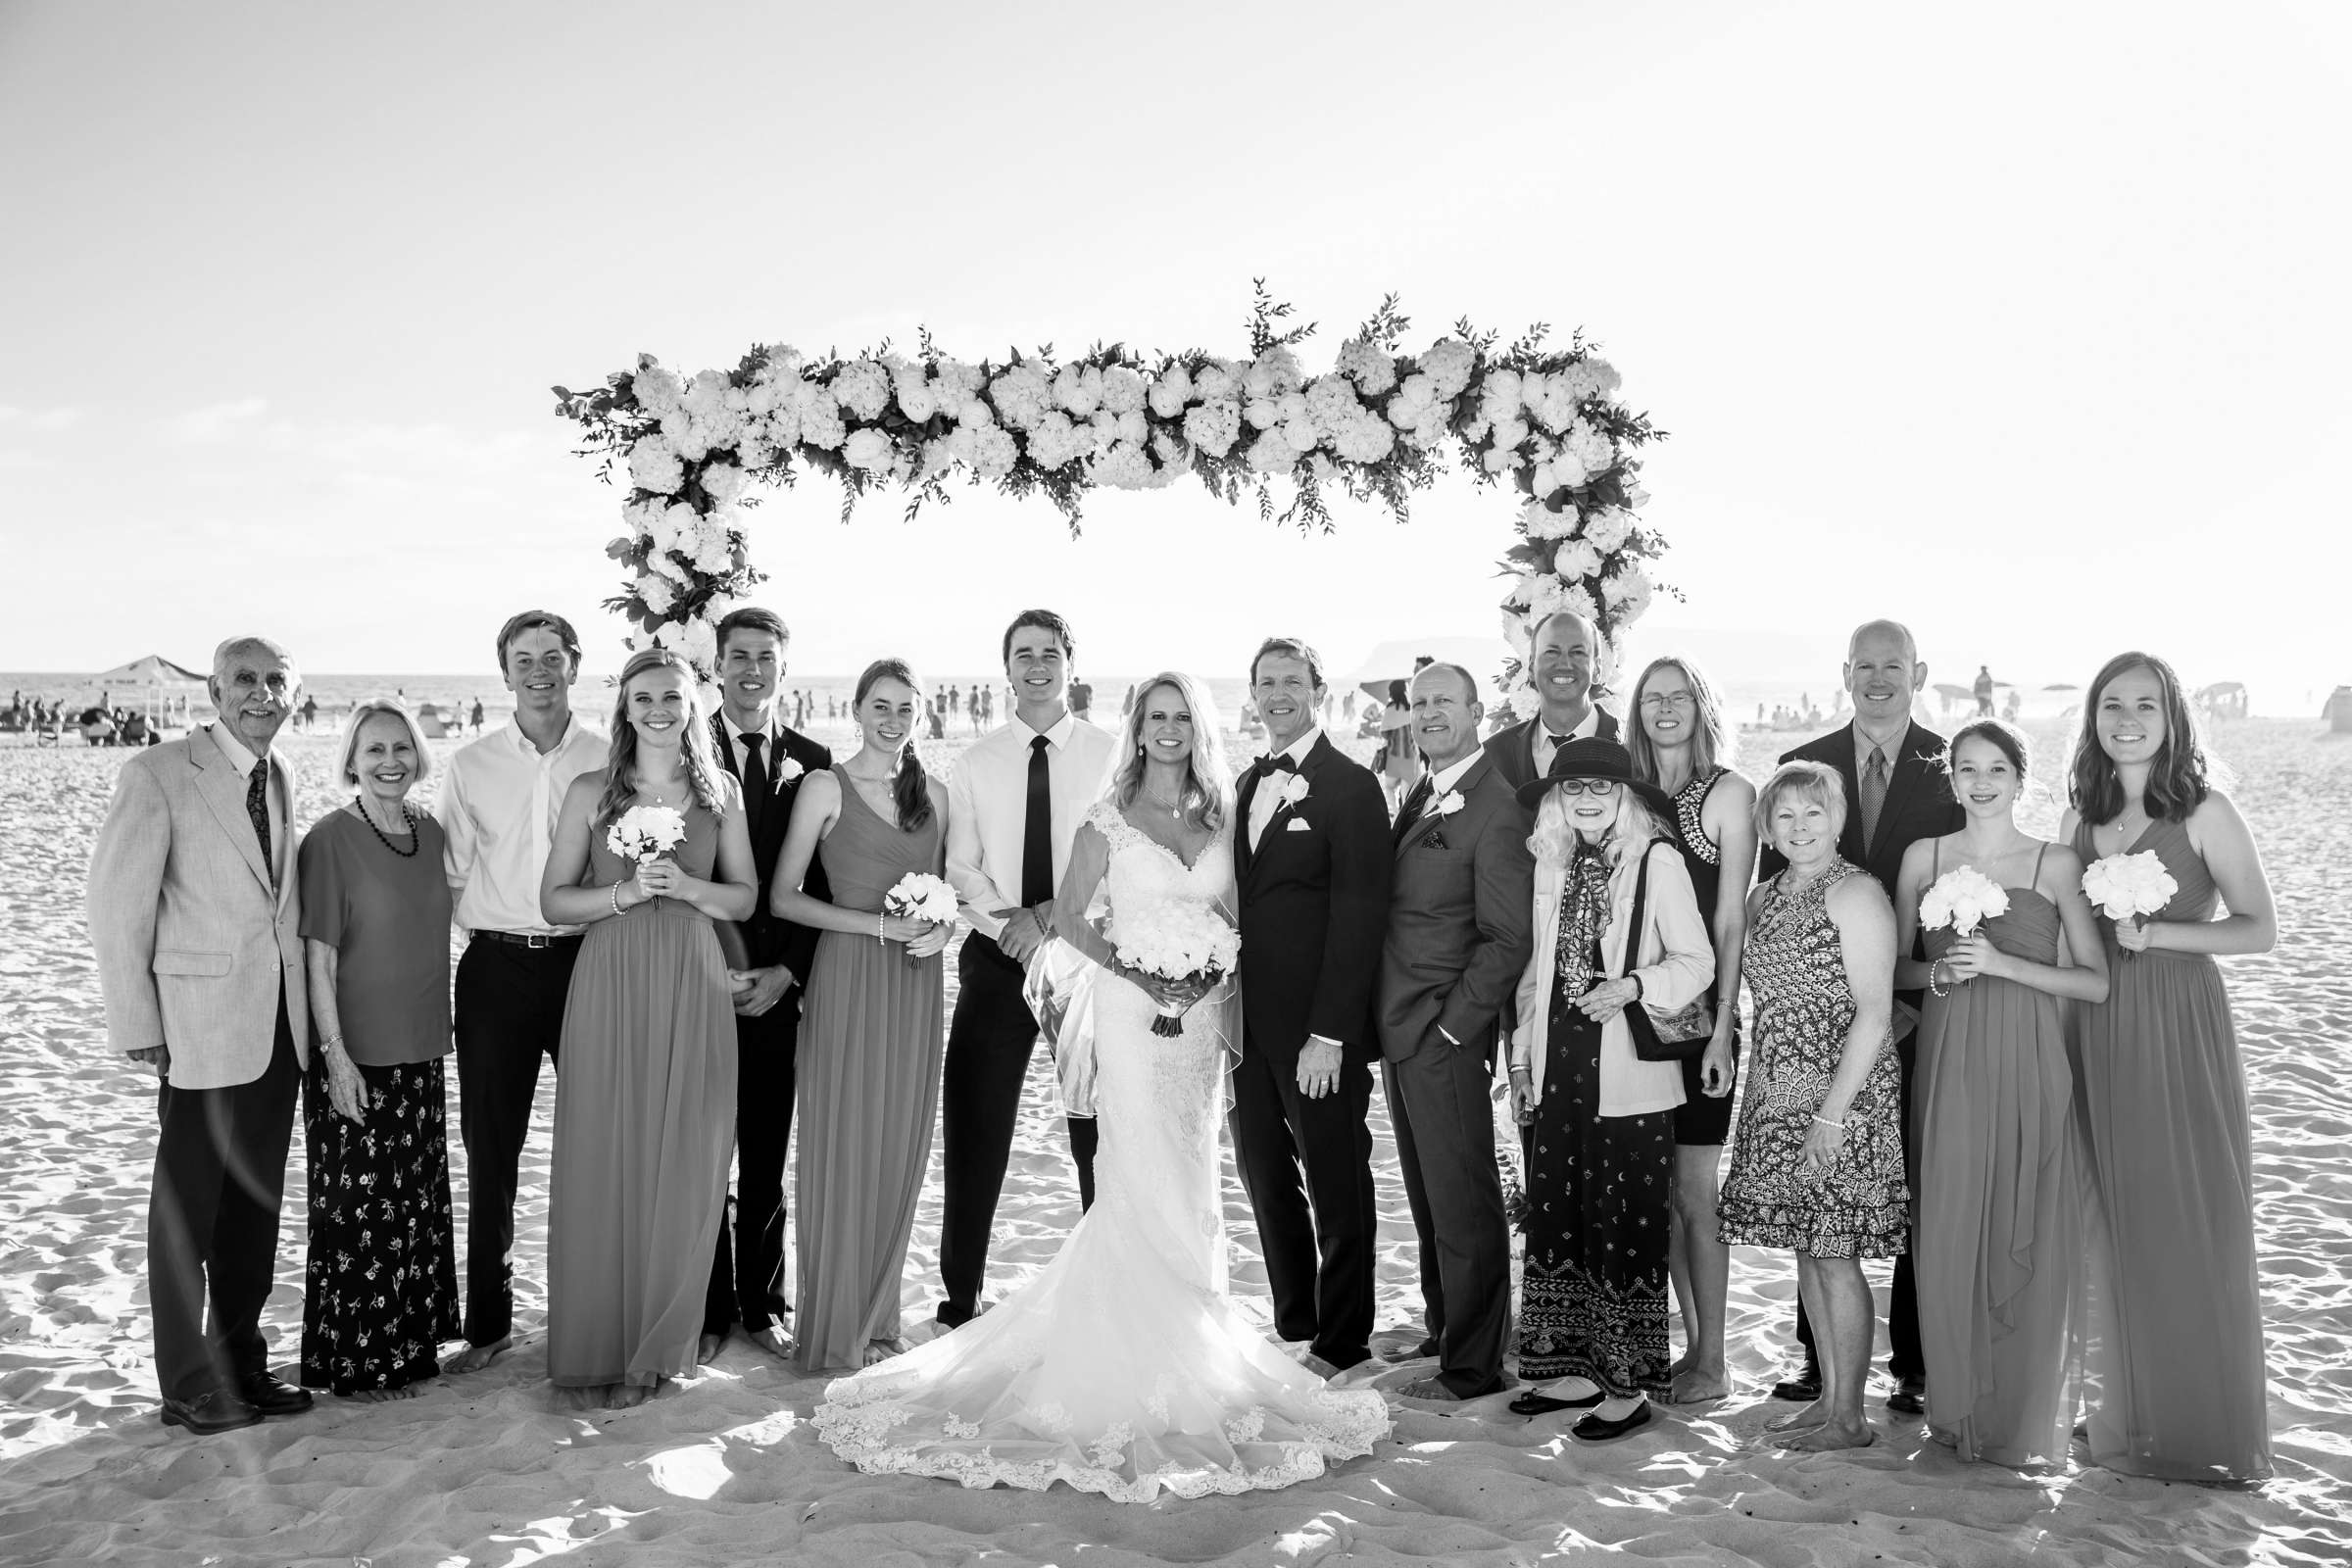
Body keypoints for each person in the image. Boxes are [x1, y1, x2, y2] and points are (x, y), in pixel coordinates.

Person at [813, 672, 1390, 1497]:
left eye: (1180, 717)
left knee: (1194, 1178)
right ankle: (1128, 1357)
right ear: (1137, 727)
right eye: (1154, 717)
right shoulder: (1107, 818)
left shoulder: (1220, 814)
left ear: (1198, 728)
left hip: (1197, 1022)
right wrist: (1143, 971)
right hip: (1130, 1015)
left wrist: (1207, 969)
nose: (1167, 730)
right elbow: (1074, 918)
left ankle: (1195, 1337)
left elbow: (1236, 914)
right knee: (1134, 1174)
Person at [85, 636, 313, 1435]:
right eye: (243, 679)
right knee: (185, 1214)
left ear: (293, 692)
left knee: (253, 1210)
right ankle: (186, 1381)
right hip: (198, 1029)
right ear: (214, 693)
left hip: (278, 1030)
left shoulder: (280, 773)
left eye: (275, 679)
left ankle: (240, 1363)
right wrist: (138, 1023)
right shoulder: (157, 774)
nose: (261, 692)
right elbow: (118, 906)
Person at [2061, 652, 2275, 1483]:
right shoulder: (2085, 816)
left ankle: (2197, 1423)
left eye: (2145, 705)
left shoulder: (2206, 812)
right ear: (2095, 717)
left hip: (2179, 1024)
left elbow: (2260, 928)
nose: (2126, 719)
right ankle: (2126, 1411)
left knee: (2188, 1211)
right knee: (2112, 1215)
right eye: (2112, 704)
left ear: (2172, 717)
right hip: (2099, 1024)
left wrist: (2164, 936)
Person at [539, 648, 756, 1406]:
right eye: (643, 698)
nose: (659, 709)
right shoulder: (591, 792)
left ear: (692, 704)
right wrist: (624, 894)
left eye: (672, 696)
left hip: (692, 977)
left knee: (687, 1158)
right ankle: (600, 1343)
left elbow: (745, 900)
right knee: (609, 1150)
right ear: (624, 709)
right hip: (612, 974)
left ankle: (660, 1345)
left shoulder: (719, 790)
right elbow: (555, 902)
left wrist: (691, 887)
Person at [1756, 618, 1959, 1414]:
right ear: (1845, 672)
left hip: (1922, 1005)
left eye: (1894, 665)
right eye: (1865, 665)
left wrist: (1910, 997)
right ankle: (1820, 1363)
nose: (1879, 677)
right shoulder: (1800, 768)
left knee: (1914, 1182)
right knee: (1819, 1195)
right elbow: (1788, 890)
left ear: (1919, 671)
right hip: (1815, 1017)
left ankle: (1912, 1361)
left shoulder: (1951, 766)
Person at [1892, 718, 2106, 1468]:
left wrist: (2005, 966)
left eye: (1996, 771)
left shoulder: (2055, 861)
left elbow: (2095, 979)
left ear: (2022, 778)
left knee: (2027, 1219)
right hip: (1948, 1062)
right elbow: (1894, 971)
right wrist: (1939, 971)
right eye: (1966, 771)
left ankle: (2018, 1414)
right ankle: (1955, 1408)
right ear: (1950, 779)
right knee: (1951, 1219)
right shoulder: (1926, 857)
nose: (1980, 784)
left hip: (2029, 1058)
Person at [1503, 738, 1712, 1442]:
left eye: (1600, 787)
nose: (1586, 799)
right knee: (1561, 1217)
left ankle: (1626, 1389)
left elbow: (1697, 964)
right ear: (1558, 801)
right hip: (1559, 1066)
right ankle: (1568, 1370)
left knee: (1623, 1226)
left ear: (1625, 796)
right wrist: (1523, 1066)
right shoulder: (1554, 864)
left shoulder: (1659, 861)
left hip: (1628, 1070)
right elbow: (1536, 973)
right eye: (1572, 789)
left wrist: (1632, 986)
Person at [934, 612, 1117, 1330]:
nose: (1036, 666)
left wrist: (1048, 917)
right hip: (996, 955)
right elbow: (960, 868)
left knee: (1097, 1133)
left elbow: (1119, 859)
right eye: (1022, 655)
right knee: (975, 1129)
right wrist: (1013, 926)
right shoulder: (975, 762)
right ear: (1005, 668)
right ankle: (958, 1300)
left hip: (1089, 959)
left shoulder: (1110, 754)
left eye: (1050, 654)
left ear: (1071, 663)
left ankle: (1110, 1291)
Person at [435, 611, 607, 1374]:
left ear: (575, 664)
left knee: (599, 1141)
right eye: (522, 659)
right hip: (496, 970)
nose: (538, 671)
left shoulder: (611, 756)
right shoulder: (471, 766)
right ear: (504, 672)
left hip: (587, 966)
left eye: (551, 657)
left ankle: (594, 1305)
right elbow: (450, 876)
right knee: (491, 1148)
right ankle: (489, 1323)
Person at [1719, 760, 1907, 1451]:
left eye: (1814, 812)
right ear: (1766, 825)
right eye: (1785, 815)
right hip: (1775, 1089)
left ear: (1837, 820)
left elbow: (1875, 1010)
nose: (1800, 827)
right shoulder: (1764, 896)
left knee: (1835, 1251)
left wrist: (1831, 1114)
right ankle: (1829, 1400)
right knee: (1806, 1247)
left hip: (1843, 1094)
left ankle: (1851, 1418)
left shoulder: (1854, 892)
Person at [774, 659, 954, 1371]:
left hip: (916, 982)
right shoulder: (824, 787)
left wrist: (946, 930)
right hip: (849, 974)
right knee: (844, 1139)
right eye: (881, 705)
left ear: (920, 715)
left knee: (898, 1141)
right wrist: (874, 928)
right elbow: (785, 897)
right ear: (856, 709)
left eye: (906, 708)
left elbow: (949, 891)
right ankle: (837, 1318)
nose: (893, 718)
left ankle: (880, 1316)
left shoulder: (935, 793)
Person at [1374, 664, 1534, 1401]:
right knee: (1431, 1194)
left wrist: (1452, 1032)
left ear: (1477, 710)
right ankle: (1447, 1332)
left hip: (1444, 1033)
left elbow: (1507, 938)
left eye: (1445, 700)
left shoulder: (1495, 806)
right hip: (1403, 1028)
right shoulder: (1427, 788)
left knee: (1466, 1200)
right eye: (1420, 702)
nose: (1430, 711)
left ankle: (1472, 1366)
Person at [1232, 636, 1391, 1375]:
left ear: (1317, 691)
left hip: (1318, 1032)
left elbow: (1360, 920)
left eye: (1292, 682)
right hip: (1248, 1028)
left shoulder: (1352, 788)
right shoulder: (1244, 784)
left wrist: (1330, 1033)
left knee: (1335, 1176)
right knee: (1266, 1176)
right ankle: (1296, 1321)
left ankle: (1345, 1336)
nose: (1278, 695)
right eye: (1267, 682)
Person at [295, 699, 460, 1400]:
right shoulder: (330, 839)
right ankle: (359, 1364)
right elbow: (317, 957)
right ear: (352, 762)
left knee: (415, 1207)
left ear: (419, 755)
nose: (390, 761)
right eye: (374, 751)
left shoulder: (431, 830)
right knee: (358, 1216)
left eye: (401, 748)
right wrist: (334, 1055)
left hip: (422, 1047)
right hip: (355, 1055)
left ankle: (412, 1348)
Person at [700, 608, 834, 1362]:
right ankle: (711, 1306)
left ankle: (763, 1305)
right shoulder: (685, 746)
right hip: (705, 983)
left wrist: (790, 971)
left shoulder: (813, 760)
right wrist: (710, 972)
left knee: (765, 1152)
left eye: (766, 657)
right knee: (704, 1149)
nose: (753, 669)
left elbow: (824, 880)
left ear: (785, 667)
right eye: (739, 655)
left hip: (779, 988)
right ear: (717, 665)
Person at [1626, 655, 1756, 1405]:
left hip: (1702, 1018)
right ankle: (1688, 1346)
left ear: (1702, 706)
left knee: (1697, 1190)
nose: (1665, 709)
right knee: (1662, 1191)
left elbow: (1731, 918)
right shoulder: (1631, 794)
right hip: (1637, 1012)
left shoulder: (1729, 793)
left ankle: (1716, 1356)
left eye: (1679, 697)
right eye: (1653, 699)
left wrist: (1721, 1031)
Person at [1484, 610, 1621, 791]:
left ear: (1597, 669)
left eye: (1578, 652)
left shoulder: (1631, 750)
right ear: (1531, 668)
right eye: (1551, 652)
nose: (1564, 664)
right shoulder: (1494, 754)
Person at [1369, 679, 1425, 816]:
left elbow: (1384, 732)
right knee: (1408, 795)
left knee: (1389, 788)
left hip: (1394, 757)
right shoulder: (1412, 708)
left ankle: (1396, 812)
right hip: (1410, 756)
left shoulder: (1389, 708)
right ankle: (1405, 818)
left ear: (1391, 692)